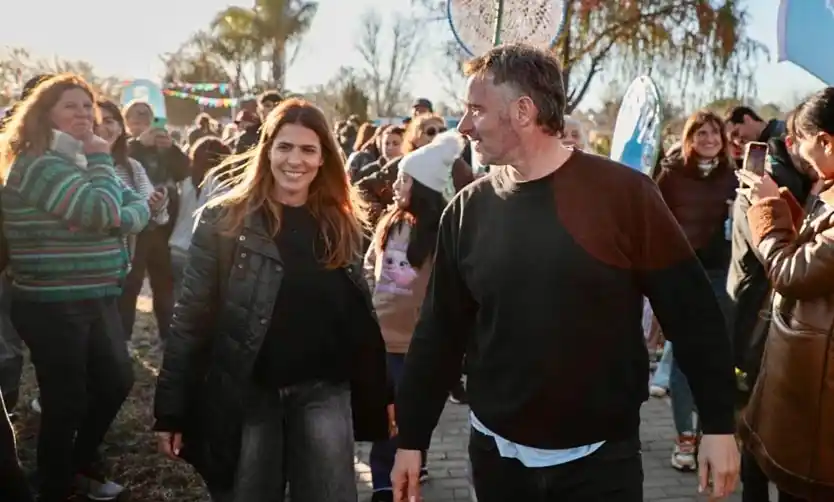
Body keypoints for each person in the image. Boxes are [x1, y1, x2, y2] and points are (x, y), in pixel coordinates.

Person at [390, 43, 740, 502]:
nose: (464, 125)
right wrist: (412, 438)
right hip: (497, 458)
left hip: (601, 463)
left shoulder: (624, 195)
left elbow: (691, 312)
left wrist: (717, 424)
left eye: (476, 108)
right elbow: (439, 333)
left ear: (522, 111)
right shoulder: (467, 211)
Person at [152, 98, 394, 502]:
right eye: (284, 147)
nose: (294, 160)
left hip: (323, 389)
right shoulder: (224, 220)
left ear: (323, 159)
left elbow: (359, 318)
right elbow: (191, 318)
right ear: (266, 151)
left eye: (307, 149)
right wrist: (171, 409)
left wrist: (383, 391)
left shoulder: (341, 222)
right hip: (250, 390)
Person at [0, 74, 150, 502]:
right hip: (52, 303)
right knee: (65, 400)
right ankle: (54, 485)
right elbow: (104, 209)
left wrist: (119, 211)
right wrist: (103, 162)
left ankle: (75, 463)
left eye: (89, 107)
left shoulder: (77, 162)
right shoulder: (38, 163)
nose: (85, 114)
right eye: (71, 106)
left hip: (98, 293)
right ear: (44, 114)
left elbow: (132, 207)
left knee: (117, 381)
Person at [737, 87, 834, 502]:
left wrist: (765, 212)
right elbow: (817, 256)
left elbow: (791, 273)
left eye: (802, 141)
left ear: (827, 140)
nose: (798, 152)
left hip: (818, 388)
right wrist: (785, 208)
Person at [364, 130, 465, 502]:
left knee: (409, 418)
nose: (395, 184)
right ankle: (382, 485)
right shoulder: (390, 222)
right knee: (384, 420)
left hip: (418, 346)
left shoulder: (443, 232)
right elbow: (369, 267)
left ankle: (411, 464)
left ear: (421, 186)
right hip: (382, 340)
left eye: (403, 179)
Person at [654, 110, 738, 471]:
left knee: (716, 357)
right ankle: (684, 438)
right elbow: (652, 218)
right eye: (701, 133)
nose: (708, 140)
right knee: (683, 357)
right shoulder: (671, 175)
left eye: (715, 133)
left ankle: (710, 432)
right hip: (680, 273)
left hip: (721, 274)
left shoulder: (734, 177)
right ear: (689, 138)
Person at [120, 100, 189, 341]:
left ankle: (169, 338)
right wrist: (139, 144)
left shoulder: (164, 146)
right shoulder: (125, 146)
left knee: (164, 284)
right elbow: (120, 165)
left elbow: (183, 171)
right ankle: (123, 339)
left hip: (163, 228)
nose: (143, 126)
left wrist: (171, 149)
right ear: (126, 123)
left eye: (147, 121)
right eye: (136, 121)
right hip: (135, 230)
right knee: (131, 284)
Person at [169, 136, 230, 302]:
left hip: (176, 249)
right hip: (202, 253)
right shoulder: (223, 189)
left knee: (179, 301)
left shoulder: (184, 184)